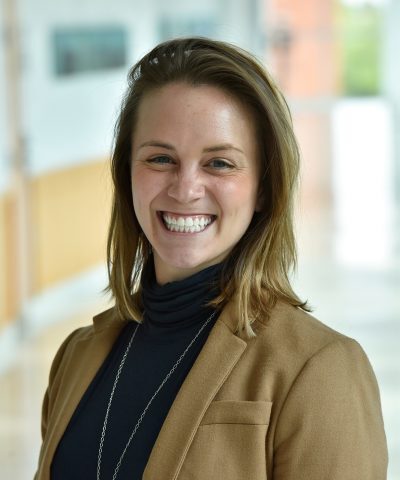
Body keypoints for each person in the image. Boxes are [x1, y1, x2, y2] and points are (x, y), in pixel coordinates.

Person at [35, 37, 388, 480]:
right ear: (127, 174)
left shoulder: (320, 369)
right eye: (160, 158)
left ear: (263, 186)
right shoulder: (77, 357)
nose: (185, 189)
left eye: (219, 163)